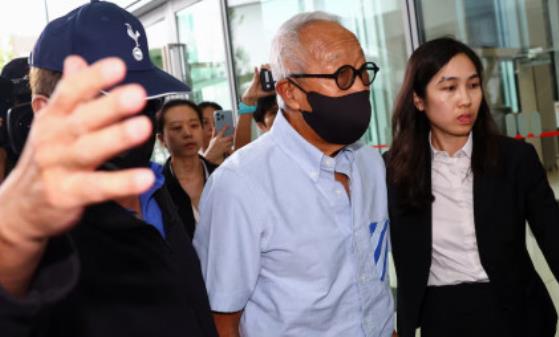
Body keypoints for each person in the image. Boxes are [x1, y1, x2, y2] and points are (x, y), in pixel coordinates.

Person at [0, 2, 217, 336]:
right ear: (45, 111)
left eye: (148, 102)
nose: (138, 119)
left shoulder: (155, 187)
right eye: (114, 102)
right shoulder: (40, 232)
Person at [194, 11, 395, 337]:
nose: (359, 87)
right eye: (343, 76)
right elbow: (221, 319)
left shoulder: (369, 164)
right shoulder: (241, 185)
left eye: (363, 72)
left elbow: (371, 287)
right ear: (290, 92)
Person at [385, 37, 559, 337]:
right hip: (441, 317)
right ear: (418, 100)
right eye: (449, 88)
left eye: (473, 85)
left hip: (516, 315)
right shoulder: (393, 170)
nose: (465, 99)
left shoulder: (514, 159)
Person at [157, 99, 218, 238]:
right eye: (177, 128)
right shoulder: (158, 187)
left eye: (194, 125)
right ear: (162, 139)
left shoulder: (223, 175)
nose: (187, 133)